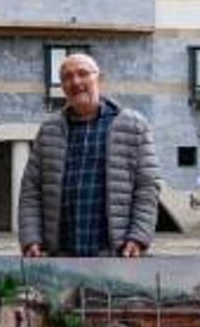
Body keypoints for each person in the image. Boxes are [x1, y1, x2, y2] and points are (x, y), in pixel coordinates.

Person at [19, 53, 159, 258]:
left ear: (99, 79)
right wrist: (31, 238)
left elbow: (147, 187)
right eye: (67, 77)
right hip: (61, 253)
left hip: (116, 253)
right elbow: (31, 190)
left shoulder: (133, 126)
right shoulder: (49, 130)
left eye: (83, 74)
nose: (75, 81)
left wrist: (138, 237)